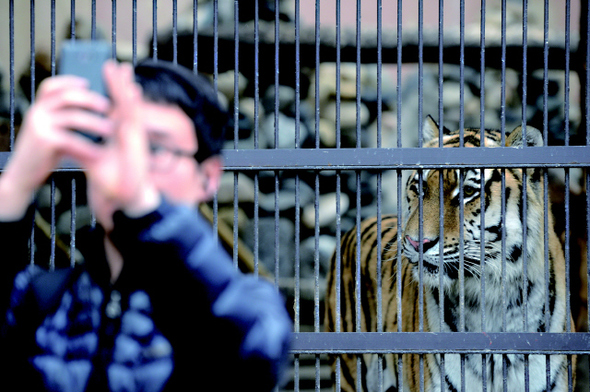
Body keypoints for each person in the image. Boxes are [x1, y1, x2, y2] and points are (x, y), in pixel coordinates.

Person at [0, 59, 292, 391]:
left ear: (208, 176)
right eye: (111, 142)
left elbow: (258, 352)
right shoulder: (40, 303)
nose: (130, 162)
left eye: (152, 147)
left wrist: (144, 206)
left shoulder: (242, 304)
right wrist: (14, 186)